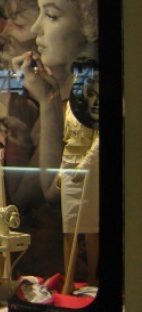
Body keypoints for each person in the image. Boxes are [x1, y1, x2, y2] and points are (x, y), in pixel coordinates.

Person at [8, 0, 98, 207]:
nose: (36, 28)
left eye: (51, 15)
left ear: (89, 21)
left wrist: (47, 100)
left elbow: (54, 189)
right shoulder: (75, 90)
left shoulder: (88, 96)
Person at [58, 64, 99, 287]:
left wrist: (84, 165)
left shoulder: (96, 104)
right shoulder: (69, 106)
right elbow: (66, 140)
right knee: (69, 226)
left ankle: (92, 278)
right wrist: (61, 169)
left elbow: (99, 140)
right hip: (68, 164)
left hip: (89, 168)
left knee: (90, 227)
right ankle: (69, 279)